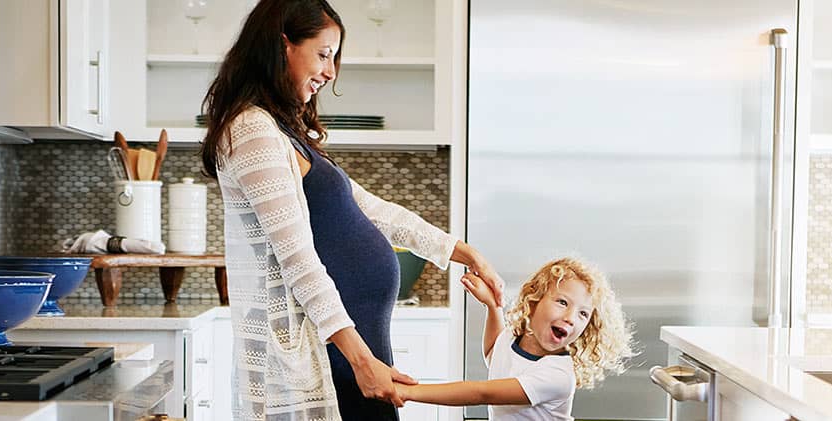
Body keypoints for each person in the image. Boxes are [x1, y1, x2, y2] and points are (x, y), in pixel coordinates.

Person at [197, 1, 505, 419]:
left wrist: (462, 252)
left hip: (353, 353)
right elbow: (298, 260)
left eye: (334, 57)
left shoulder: (285, 130)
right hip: (334, 359)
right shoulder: (251, 130)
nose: (330, 72)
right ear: (282, 44)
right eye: (323, 54)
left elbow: (371, 210)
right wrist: (361, 362)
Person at [396, 257, 636, 421]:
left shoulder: (558, 375)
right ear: (534, 300)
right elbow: (494, 353)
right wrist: (492, 306)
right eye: (562, 302)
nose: (571, 317)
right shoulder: (514, 337)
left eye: (583, 313)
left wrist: (409, 392)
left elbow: (481, 393)